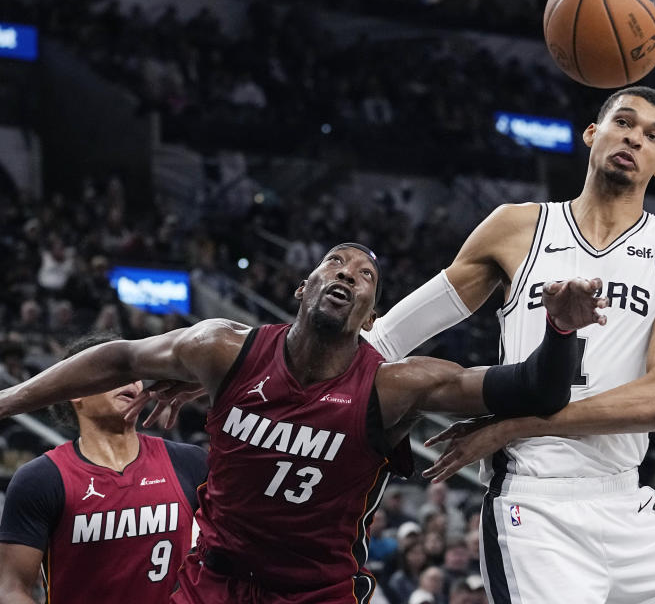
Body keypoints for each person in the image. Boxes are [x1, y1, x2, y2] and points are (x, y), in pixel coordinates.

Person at [0, 243, 606, 604]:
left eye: (364, 276)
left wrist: (562, 329)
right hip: (214, 582)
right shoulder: (222, 349)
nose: (347, 273)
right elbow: (118, 356)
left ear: (369, 313)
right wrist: (7, 401)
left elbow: (537, 388)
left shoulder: (397, 386)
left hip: (314, 593)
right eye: (334, 264)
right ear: (302, 287)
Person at [360, 86, 655, 602]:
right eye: (623, 122)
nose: (635, 138)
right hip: (535, 505)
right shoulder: (517, 228)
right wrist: (269, 362)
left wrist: (515, 424)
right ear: (592, 134)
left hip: (625, 502)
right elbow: (388, 337)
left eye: (653, 136)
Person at [0, 333, 208, 604]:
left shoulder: (190, 462)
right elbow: (12, 588)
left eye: (134, 372)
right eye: (112, 373)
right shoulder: (41, 479)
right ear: (75, 392)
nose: (131, 380)